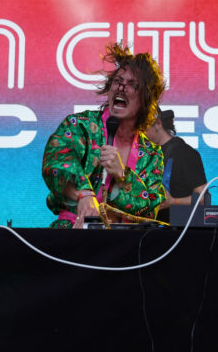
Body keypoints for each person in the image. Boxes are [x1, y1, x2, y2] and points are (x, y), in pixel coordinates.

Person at [42, 43, 167, 229]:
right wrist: (83, 195)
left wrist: (122, 175)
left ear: (145, 100)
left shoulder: (151, 155)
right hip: (72, 232)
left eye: (132, 85)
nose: (121, 88)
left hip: (126, 242)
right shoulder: (79, 125)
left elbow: (150, 209)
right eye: (118, 81)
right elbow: (56, 162)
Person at [146, 107, 207, 222]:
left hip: (178, 227)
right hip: (148, 226)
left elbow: (204, 199)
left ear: (158, 124)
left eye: (143, 127)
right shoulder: (145, 153)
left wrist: (173, 202)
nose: (139, 133)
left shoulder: (184, 153)